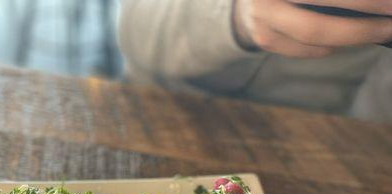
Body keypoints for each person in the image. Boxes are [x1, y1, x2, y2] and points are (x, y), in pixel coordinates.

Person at [118, 0, 392, 123]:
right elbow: (133, 29)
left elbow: (372, 126)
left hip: (319, 142)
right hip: (163, 111)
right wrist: (236, 14)